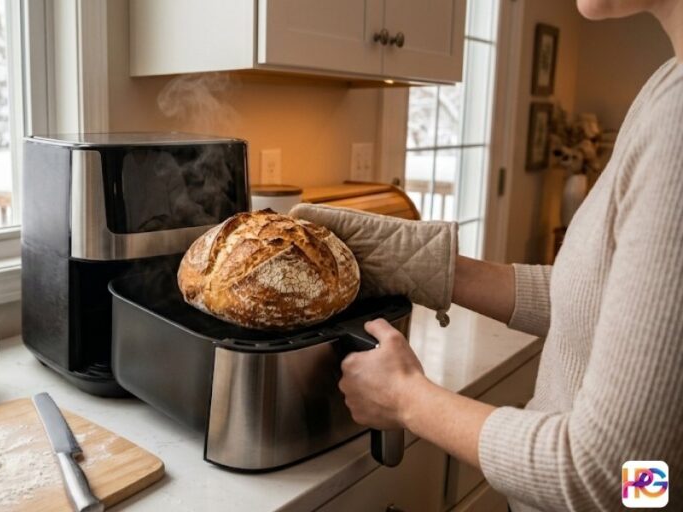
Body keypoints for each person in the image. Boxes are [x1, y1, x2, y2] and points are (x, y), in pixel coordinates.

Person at [290, 1, 683, 510]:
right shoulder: (665, 85)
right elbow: (601, 297)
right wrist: (424, 264)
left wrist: (409, 399)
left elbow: (620, 476)